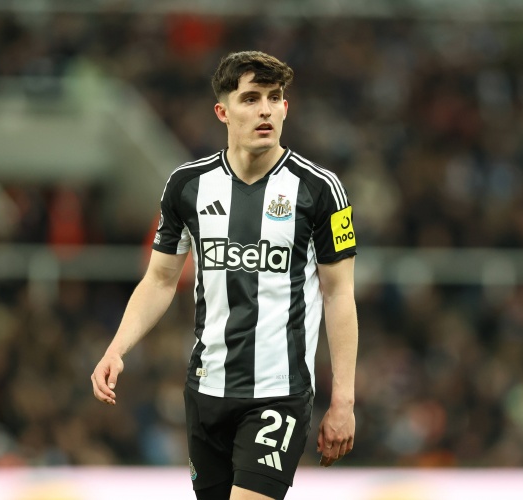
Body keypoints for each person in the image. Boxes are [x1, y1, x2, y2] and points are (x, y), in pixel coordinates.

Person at [91, 50, 358, 500]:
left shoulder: (320, 190)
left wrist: (344, 400)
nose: (265, 110)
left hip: (278, 393)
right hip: (206, 389)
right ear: (223, 111)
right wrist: (116, 349)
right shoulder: (186, 186)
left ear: (286, 108)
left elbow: (338, 294)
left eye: (274, 98)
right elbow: (159, 280)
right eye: (251, 98)